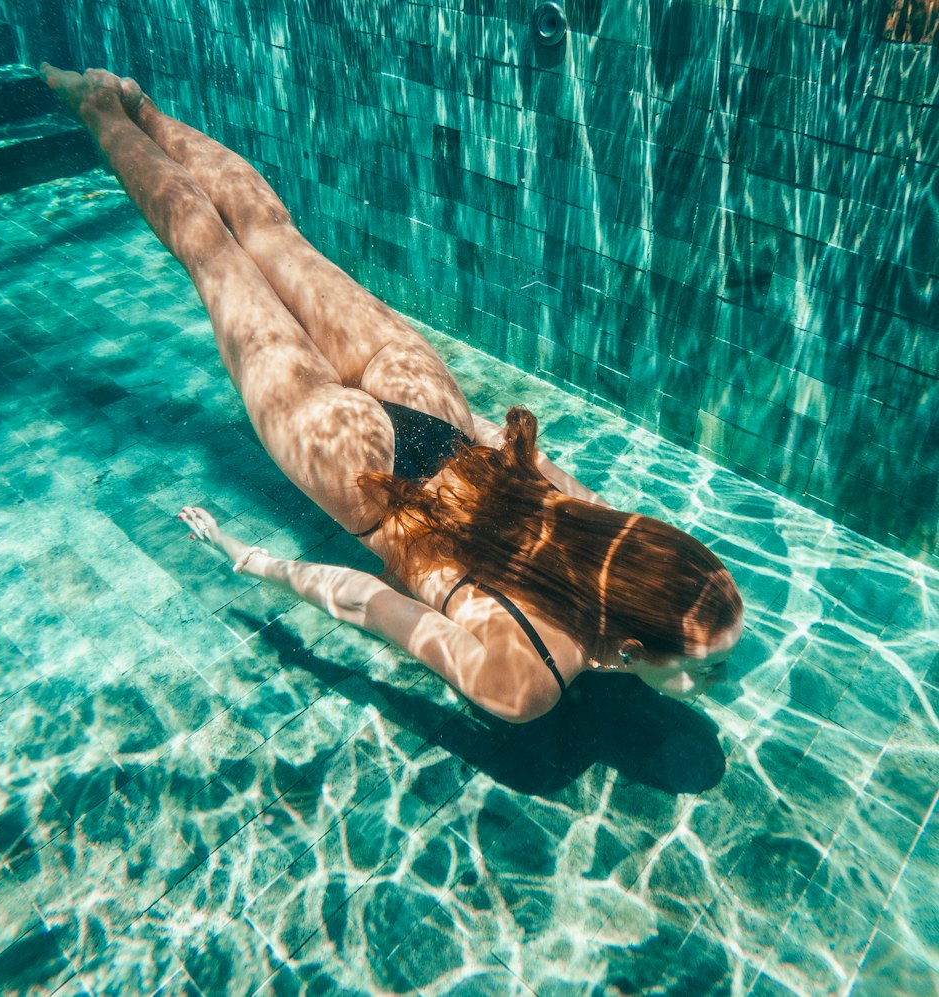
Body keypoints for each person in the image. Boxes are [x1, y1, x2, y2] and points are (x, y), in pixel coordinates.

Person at [42, 64, 744, 724]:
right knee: (214, 258)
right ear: (629, 649)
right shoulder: (528, 680)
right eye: (707, 669)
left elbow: (509, 450)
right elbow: (374, 603)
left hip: (434, 409)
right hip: (363, 477)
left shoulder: (611, 531)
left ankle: (138, 109)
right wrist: (251, 559)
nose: (719, 682)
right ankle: (99, 111)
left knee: (268, 235)